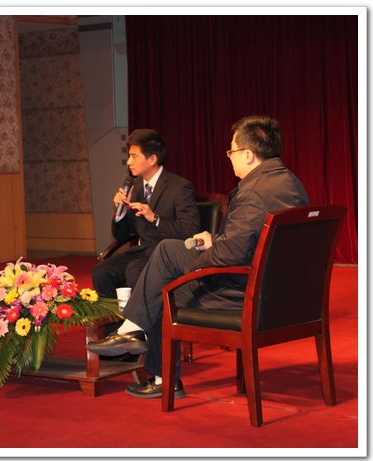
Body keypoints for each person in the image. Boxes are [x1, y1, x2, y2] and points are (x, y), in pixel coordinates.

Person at [88, 115, 309, 398]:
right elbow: (252, 242)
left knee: (162, 283)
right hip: (282, 292)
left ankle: (152, 361)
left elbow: (231, 254)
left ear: (248, 155)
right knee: (167, 258)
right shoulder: (289, 182)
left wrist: (195, 266)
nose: (229, 158)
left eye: (231, 151)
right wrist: (214, 241)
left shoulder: (253, 192)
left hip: (245, 292)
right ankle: (135, 334)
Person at [92, 129, 199, 339]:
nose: (128, 162)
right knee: (102, 271)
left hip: (166, 256)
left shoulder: (179, 187)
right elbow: (121, 236)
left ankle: (141, 338)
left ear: (152, 159)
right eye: (128, 156)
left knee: (134, 270)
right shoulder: (134, 186)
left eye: (134, 156)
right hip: (142, 251)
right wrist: (120, 212)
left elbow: (189, 231)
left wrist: (155, 218)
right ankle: (115, 337)